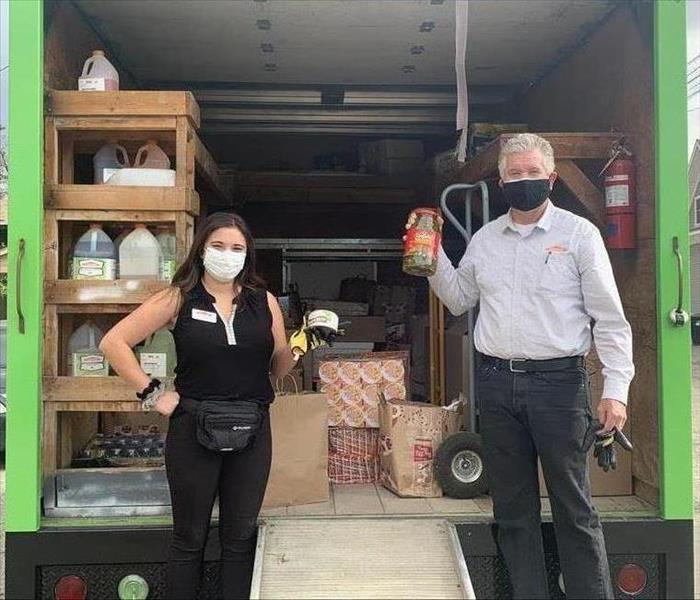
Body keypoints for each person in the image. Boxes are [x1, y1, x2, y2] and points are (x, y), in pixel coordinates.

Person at [410, 133, 634, 599]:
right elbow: (458, 298)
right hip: (496, 385)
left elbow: (609, 319)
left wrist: (616, 388)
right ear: (502, 180)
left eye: (534, 172)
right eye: (515, 174)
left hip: (558, 386)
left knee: (574, 508)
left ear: (551, 178)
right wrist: (429, 260)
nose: (525, 180)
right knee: (512, 512)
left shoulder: (578, 235)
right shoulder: (487, 240)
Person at [100, 212, 327, 599]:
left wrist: (307, 342)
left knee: (240, 538)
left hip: (252, 430)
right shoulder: (178, 298)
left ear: (247, 254)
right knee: (190, 538)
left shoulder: (264, 301)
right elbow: (113, 343)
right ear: (202, 249)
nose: (228, 254)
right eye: (219, 246)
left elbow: (276, 366)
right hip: (193, 430)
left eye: (237, 248)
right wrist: (154, 393)